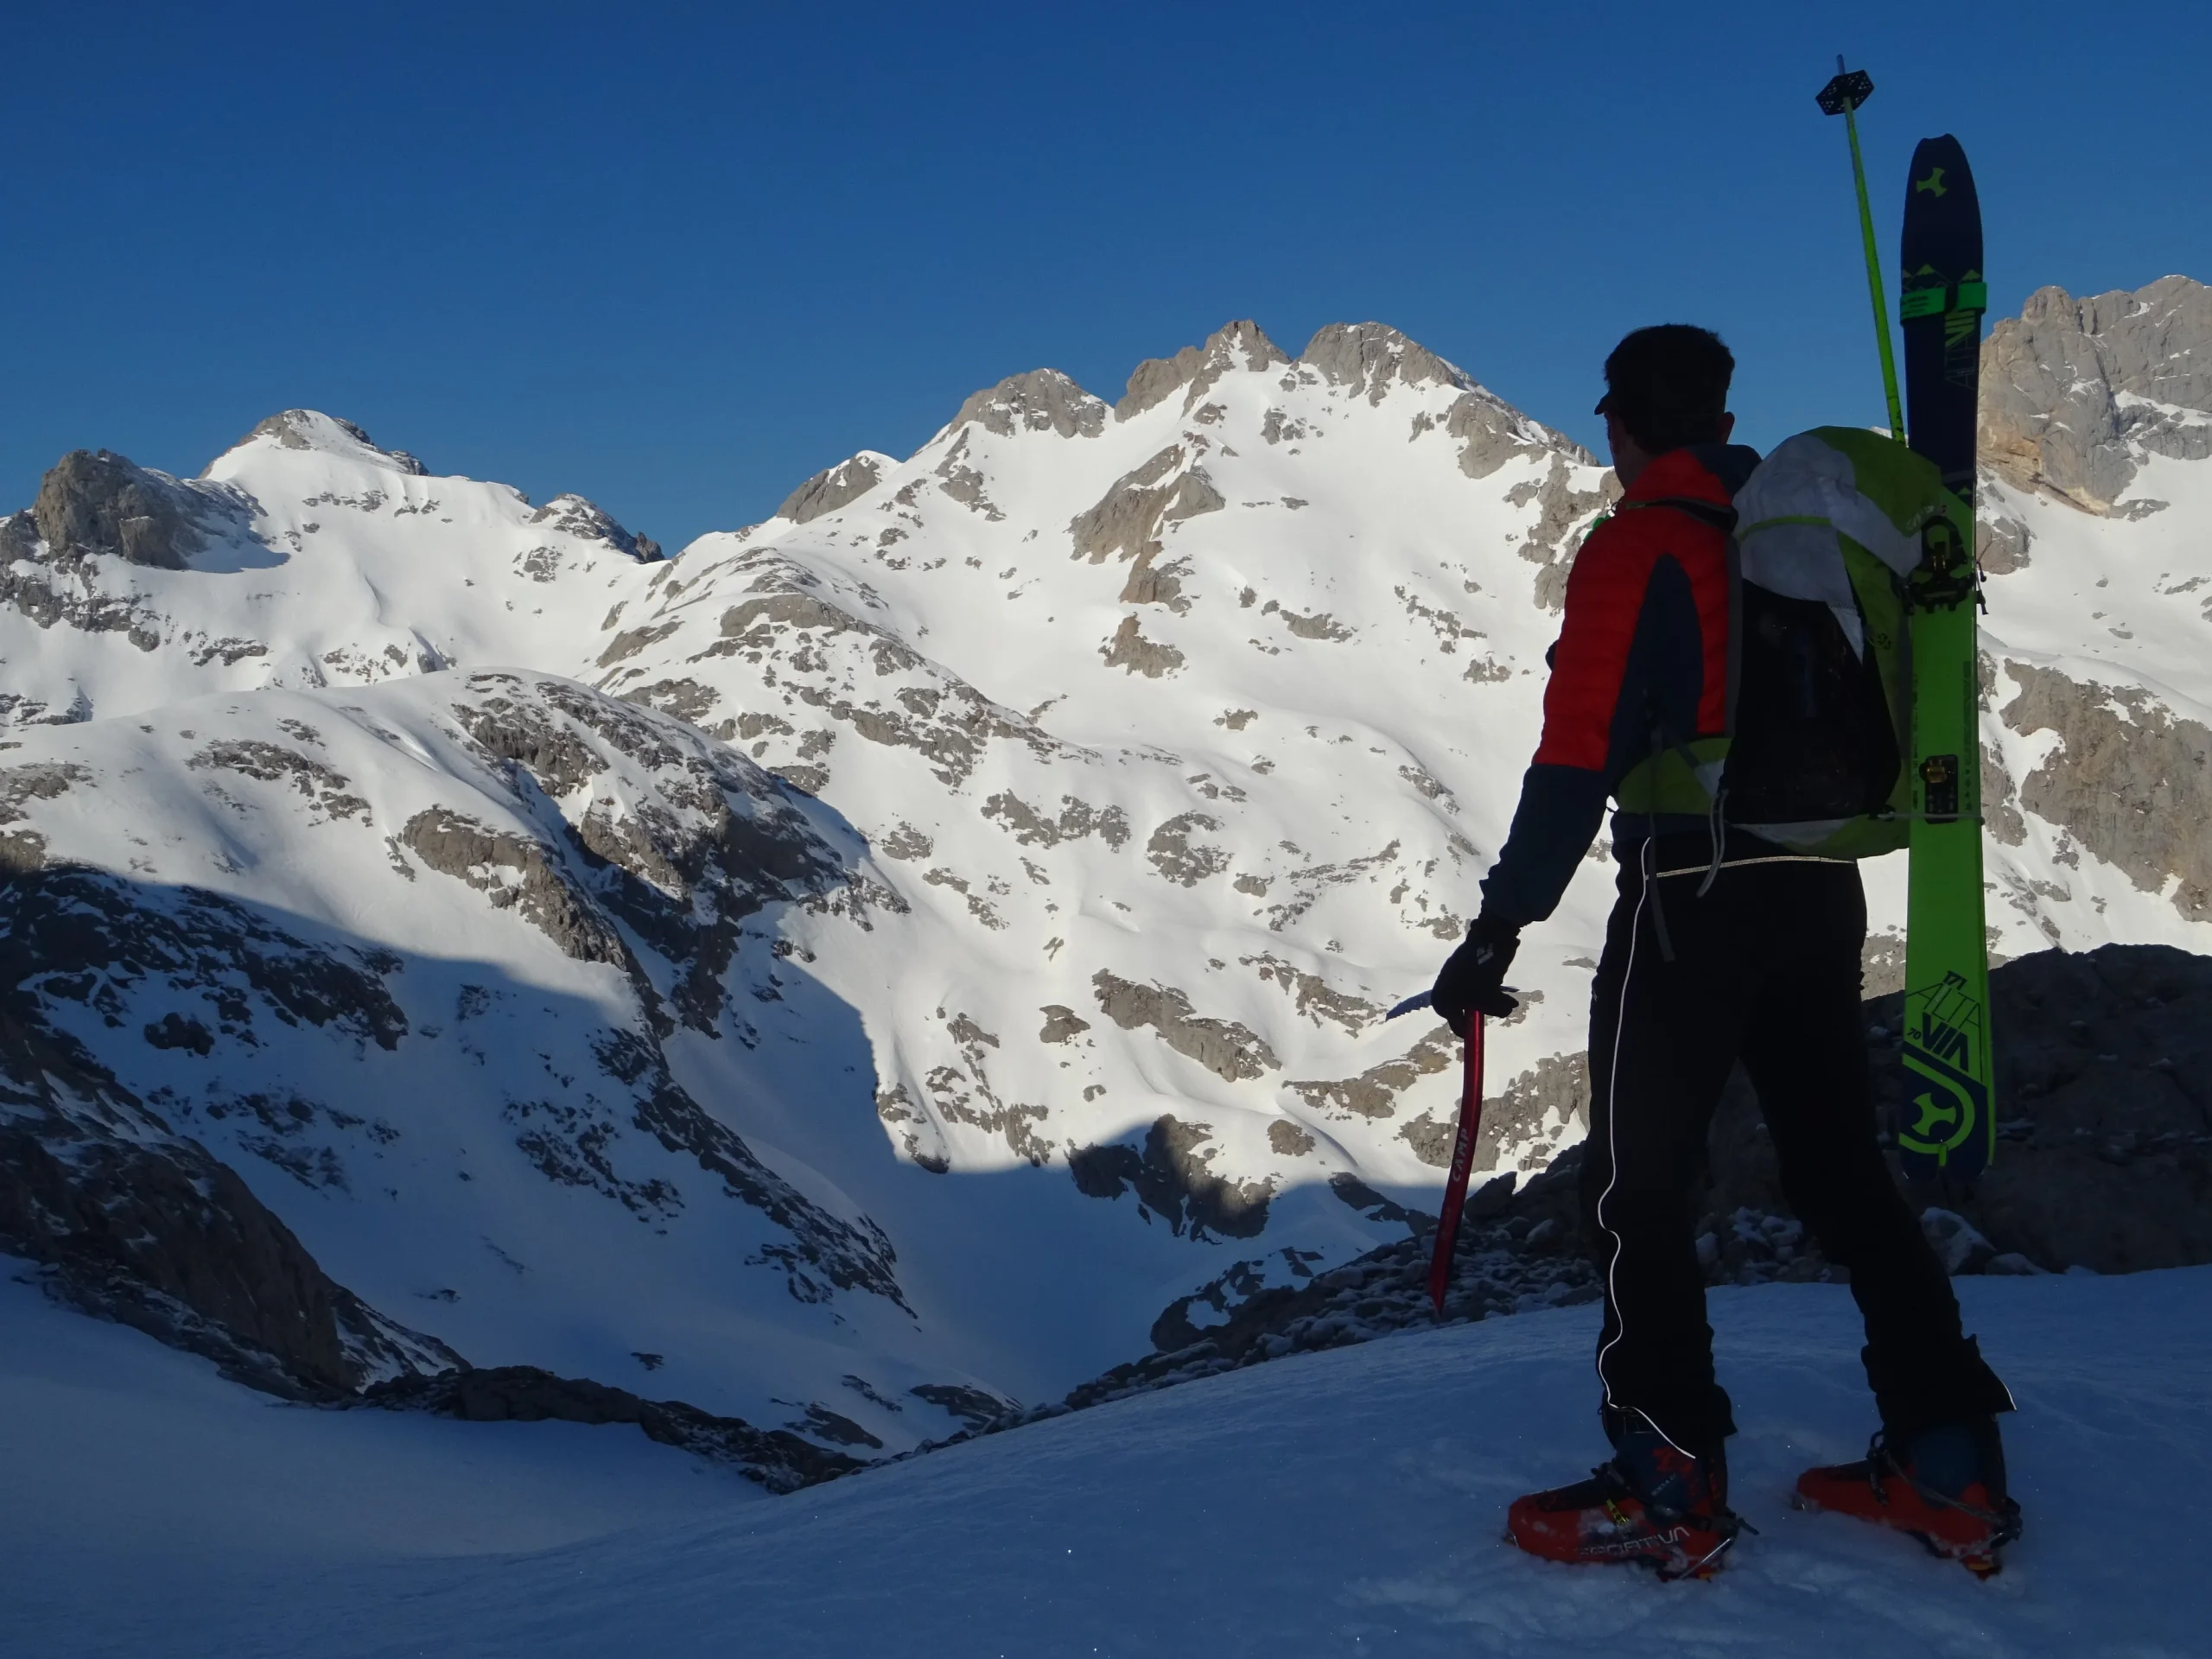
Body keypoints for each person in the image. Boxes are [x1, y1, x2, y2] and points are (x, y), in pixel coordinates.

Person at [1430, 325, 2018, 1580]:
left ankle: (1667, 1478)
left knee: (1637, 1192)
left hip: (1689, 896)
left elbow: (1576, 757)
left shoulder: (1635, 546)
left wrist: (1497, 930)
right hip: (1820, 887)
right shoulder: (1791, 544)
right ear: (1721, 413)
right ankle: (1950, 1464)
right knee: (1843, 1179)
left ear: (1620, 424)